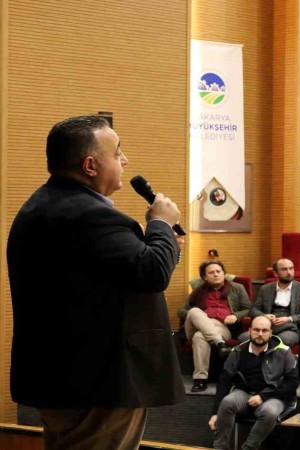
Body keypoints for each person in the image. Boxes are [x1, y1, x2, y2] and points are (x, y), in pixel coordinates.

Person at [7, 115, 183, 448]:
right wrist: (161, 225)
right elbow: (152, 272)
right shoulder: (89, 216)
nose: (124, 160)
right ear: (90, 165)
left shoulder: (46, 206)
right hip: (98, 382)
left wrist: (161, 241)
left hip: (66, 377)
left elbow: (113, 272)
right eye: (117, 153)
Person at [208, 316, 298, 450]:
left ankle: (248, 448)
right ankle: (220, 447)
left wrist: (263, 397)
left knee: (270, 412)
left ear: (270, 333)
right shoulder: (237, 351)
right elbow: (224, 383)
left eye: (264, 330)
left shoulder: (284, 352)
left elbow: (292, 383)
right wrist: (216, 413)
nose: (260, 334)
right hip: (244, 394)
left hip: (273, 396)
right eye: (256, 330)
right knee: (227, 402)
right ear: (249, 331)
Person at [178, 260, 252, 392]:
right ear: (205, 277)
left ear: (224, 273)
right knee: (194, 311)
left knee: (199, 337)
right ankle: (220, 344)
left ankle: (200, 380)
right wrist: (200, 317)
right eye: (211, 272)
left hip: (222, 327)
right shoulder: (198, 291)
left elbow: (248, 309)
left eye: (219, 271)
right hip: (197, 325)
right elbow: (181, 311)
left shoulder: (237, 288)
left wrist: (236, 316)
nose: (216, 274)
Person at [248, 258, 300, 347]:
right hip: (267, 326)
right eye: (284, 269)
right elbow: (253, 310)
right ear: (275, 273)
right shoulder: (265, 289)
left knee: (283, 340)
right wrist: (265, 316)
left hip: (291, 328)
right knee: (244, 338)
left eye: (291, 268)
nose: (289, 272)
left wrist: (289, 319)